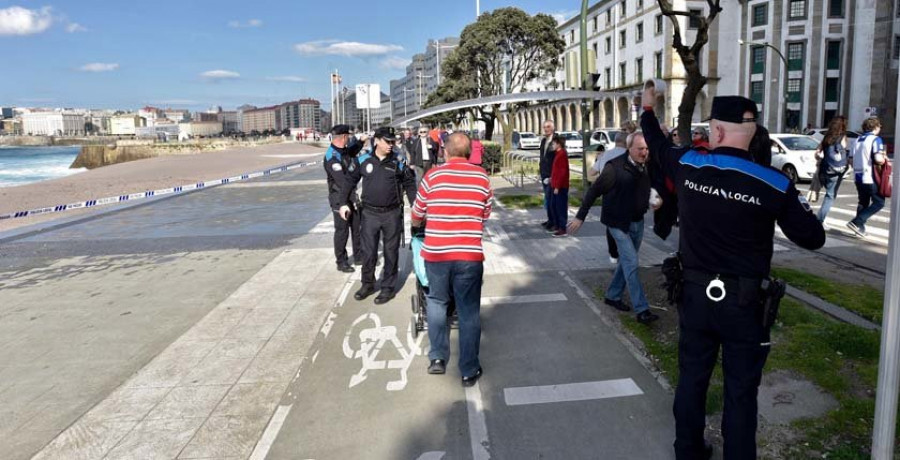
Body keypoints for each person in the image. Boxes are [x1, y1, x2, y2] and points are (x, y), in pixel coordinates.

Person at [641, 86, 825, 460]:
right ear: (754, 133)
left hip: (694, 298)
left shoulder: (689, 164)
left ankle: (688, 451)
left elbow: (656, 144)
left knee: (692, 380)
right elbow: (812, 237)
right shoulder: (775, 183)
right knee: (741, 392)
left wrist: (647, 108)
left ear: (718, 132)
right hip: (745, 305)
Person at [411, 132, 493, 386]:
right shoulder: (482, 177)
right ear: (469, 153)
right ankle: (469, 369)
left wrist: (419, 224)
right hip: (468, 255)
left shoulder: (432, 176)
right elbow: (486, 213)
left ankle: (437, 358)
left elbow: (417, 213)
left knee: (436, 302)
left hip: (437, 254)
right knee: (468, 311)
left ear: (445, 151)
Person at [568, 132, 662, 325]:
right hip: (617, 223)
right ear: (629, 149)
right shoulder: (614, 168)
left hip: (637, 221)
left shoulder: (647, 165)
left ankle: (612, 295)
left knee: (626, 263)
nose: (644, 153)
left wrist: (656, 198)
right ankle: (642, 310)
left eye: (646, 149)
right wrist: (580, 217)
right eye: (640, 149)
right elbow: (593, 192)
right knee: (632, 262)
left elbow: (649, 186)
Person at [339, 126, 417, 304]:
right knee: (368, 251)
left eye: (393, 141)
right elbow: (349, 181)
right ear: (377, 141)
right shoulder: (363, 160)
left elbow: (410, 184)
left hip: (392, 214)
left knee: (390, 252)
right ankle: (367, 283)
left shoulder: (398, 161)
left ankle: (388, 288)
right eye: (388, 141)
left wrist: (415, 206)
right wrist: (343, 203)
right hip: (369, 214)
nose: (392, 145)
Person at [324, 124, 366, 272]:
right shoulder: (331, 157)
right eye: (348, 136)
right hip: (339, 197)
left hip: (351, 195)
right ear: (343, 137)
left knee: (356, 227)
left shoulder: (343, 151)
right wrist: (348, 200)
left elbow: (351, 152)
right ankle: (341, 261)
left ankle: (359, 256)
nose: (349, 138)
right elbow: (342, 181)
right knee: (342, 230)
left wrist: (361, 141)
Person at [847, 117, 887, 238]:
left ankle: (859, 228)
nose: (880, 128)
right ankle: (856, 222)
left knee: (863, 202)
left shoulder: (857, 140)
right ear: (875, 127)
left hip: (858, 176)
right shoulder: (876, 139)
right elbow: (878, 159)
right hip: (870, 176)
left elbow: (850, 160)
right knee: (879, 202)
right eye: (879, 126)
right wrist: (884, 158)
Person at [815, 116, 851, 223]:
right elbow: (843, 154)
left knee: (828, 194)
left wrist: (822, 160)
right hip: (836, 171)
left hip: (824, 169)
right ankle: (819, 220)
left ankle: (821, 218)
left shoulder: (826, 137)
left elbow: (817, 153)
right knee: (830, 196)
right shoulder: (842, 137)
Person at [549, 134, 570, 237]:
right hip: (555, 184)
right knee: (554, 206)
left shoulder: (562, 154)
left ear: (558, 144)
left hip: (560, 187)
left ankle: (562, 228)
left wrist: (557, 186)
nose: (552, 145)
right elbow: (556, 171)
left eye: (553, 143)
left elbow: (562, 172)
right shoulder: (558, 154)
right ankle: (557, 225)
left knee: (560, 207)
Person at [538, 120, 557, 230]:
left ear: (553, 128)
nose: (546, 129)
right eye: (544, 127)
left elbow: (558, 160)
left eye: (548, 126)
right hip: (544, 174)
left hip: (552, 175)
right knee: (548, 198)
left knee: (552, 199)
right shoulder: (544, 141)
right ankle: (550, 220)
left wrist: (553, 176)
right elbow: (542, 157)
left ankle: (555, 222)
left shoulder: (556, 141)